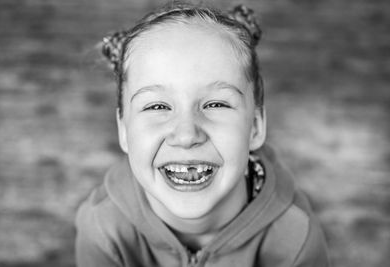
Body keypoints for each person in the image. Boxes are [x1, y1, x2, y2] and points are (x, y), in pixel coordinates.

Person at [75, 2, 330, 266]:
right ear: (124, 130)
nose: (186, 135)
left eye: (215, 104)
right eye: (158, 106)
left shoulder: (295, 240)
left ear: (255, 126)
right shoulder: (104, 231)